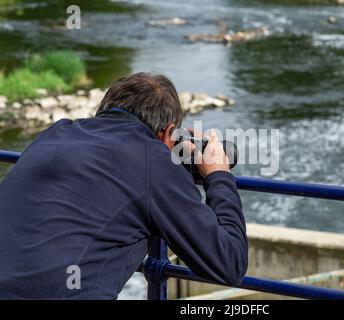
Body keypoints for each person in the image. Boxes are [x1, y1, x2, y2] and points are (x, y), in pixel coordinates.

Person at [0, 72, 248, 299]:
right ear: (168, 132)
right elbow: (230, 263)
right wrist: (218, 175)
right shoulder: (153, 160)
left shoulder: (56, 133)